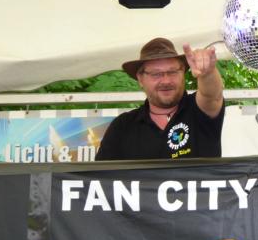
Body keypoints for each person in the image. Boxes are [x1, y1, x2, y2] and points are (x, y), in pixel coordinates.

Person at [95, 37, 224, 160]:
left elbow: (211, 96)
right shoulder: (122, 126)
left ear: (183, 72)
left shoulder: (198, 109)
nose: (166, 81)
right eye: (156, 74)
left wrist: (207, 73)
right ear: (140, 79)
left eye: (172, 72)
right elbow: (101, 173)